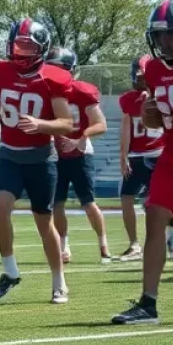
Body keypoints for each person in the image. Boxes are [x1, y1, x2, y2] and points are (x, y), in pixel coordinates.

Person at [113, 0, 173, 324]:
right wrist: (150, 116)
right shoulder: (152, 68)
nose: (167, 43)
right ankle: (148, 304)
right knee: (154, 216)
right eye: (161, 37)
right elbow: (156, 120)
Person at [0, 18, 75, 304]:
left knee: (43, 222)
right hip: (8, 153)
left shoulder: (53, 78)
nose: (20, 52)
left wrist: (41, 124)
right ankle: (10, 271)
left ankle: (59, 282)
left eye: (27, 47)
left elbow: (67, 123)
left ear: (41, 49)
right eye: (17, 46)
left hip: (41, 157)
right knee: (0, 204)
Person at [44, 47, 111, 264]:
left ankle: (103, 245)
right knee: (57, 204)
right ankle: (64, 247)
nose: (54, 73)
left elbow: (101, 125)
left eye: (59, 68)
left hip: (80, 153)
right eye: (51, 67)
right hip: (55, 153)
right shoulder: (43, 91)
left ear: (70, 70)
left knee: (88, 203)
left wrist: (82, 136)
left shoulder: (82, 91)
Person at [117, 56, 166, 261]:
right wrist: (123, 155)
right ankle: (134, 244)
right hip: (137, 155)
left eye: (142, 76)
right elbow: (126, 128)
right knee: (126, 198)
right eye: (138, 76)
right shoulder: (129, 98)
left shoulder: (162, 95)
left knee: (160, 202)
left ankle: (168, 241)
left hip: (157, 154)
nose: (139, 80)